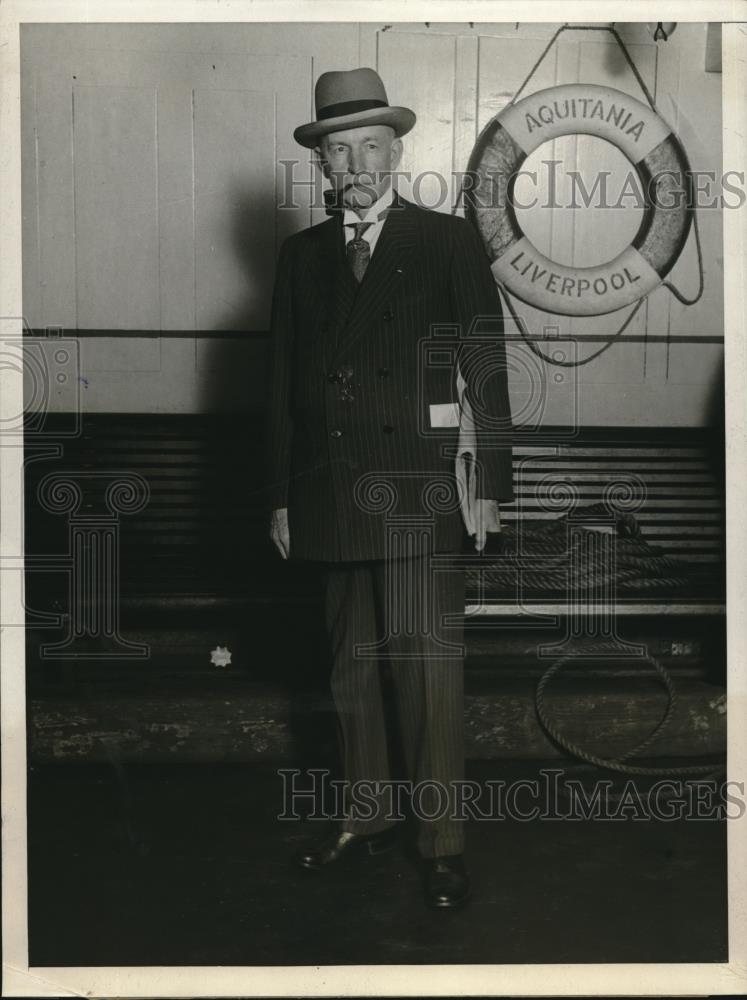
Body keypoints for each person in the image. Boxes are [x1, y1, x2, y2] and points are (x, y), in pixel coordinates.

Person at [266, 67, 514, 908]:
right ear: (323, 165)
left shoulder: (444, 242)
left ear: (397, 152)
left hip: (418, 491)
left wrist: (491, 485)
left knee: (425, 672)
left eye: (372, 145)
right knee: (347, 670)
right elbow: (278, 386)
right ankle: (365, 816)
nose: (357, 163)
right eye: (340, 150)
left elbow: (485, 366)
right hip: (327, 492)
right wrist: (278, 497)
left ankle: (440, 842)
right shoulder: (299, 258)